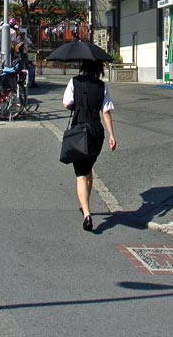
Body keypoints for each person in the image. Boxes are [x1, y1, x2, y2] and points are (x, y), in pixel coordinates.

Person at [63, 59, 116, 232]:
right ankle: (86, 203)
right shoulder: (102, 86)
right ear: (99, 69)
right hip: (96, 133)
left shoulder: (74, 82)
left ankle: (86, 214)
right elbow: (106, 111)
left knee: (80, 174)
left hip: (79, 131)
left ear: (83, 67)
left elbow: (66, 104)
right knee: (89, 167)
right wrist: (111, 135)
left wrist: (77, 105)